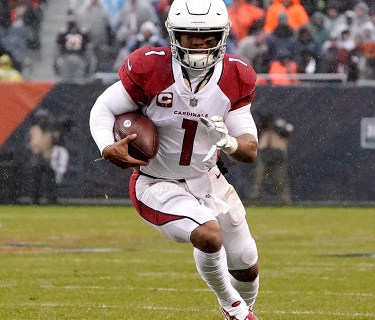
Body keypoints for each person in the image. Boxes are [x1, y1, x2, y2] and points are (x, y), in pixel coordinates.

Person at [89, 1, 260, 320]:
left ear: (222, 36)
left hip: (208, 179)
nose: (198, 44)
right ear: (173, 34)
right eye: (189, 35)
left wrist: (229, 141)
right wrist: (105, 146)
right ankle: (233, 308)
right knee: (208, 235)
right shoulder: (150, 67)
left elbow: (249, 150)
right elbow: (103, 109)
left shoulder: (236, 75)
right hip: (157, 183)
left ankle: (242, 308)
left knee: (247, 262)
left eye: (206, 36)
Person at [249, 114, 293, 205]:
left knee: (281, 182)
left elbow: (289, 130)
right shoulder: (263, 132)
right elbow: (260, 146)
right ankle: (254, 201)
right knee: (258, 182)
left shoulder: (280, 130)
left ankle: (285, 202)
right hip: (264, 159)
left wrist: (276, 129)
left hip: (277, 160)